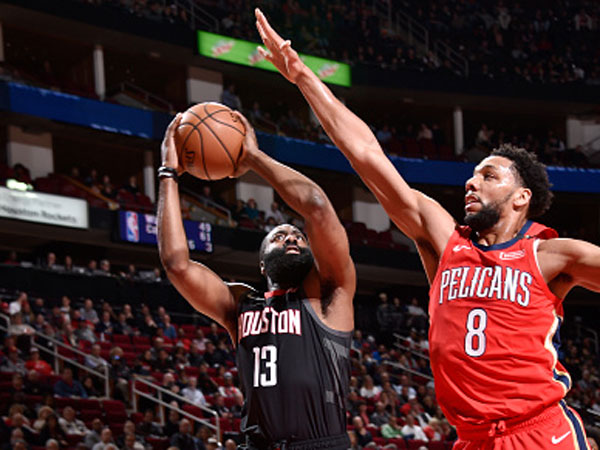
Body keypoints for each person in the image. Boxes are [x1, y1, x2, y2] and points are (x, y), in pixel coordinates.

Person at [255, 9, 600, 450]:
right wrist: (302, 76)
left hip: (540, 431)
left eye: (489, 176)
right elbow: (366, 154)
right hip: (472, 438)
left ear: (522, 197)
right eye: (472, 174)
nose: (472, 182)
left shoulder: (553, 255)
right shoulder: (444, 238)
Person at [158, 111, 355, 450]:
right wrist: (168, 174)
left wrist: (253, 157)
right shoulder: (240, 305)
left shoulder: (330, 295)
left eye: (298, 236)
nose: (292, 238)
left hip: (321, 444)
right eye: (280, 236)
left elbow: (317, 206)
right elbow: (177, 264)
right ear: (262, 262)